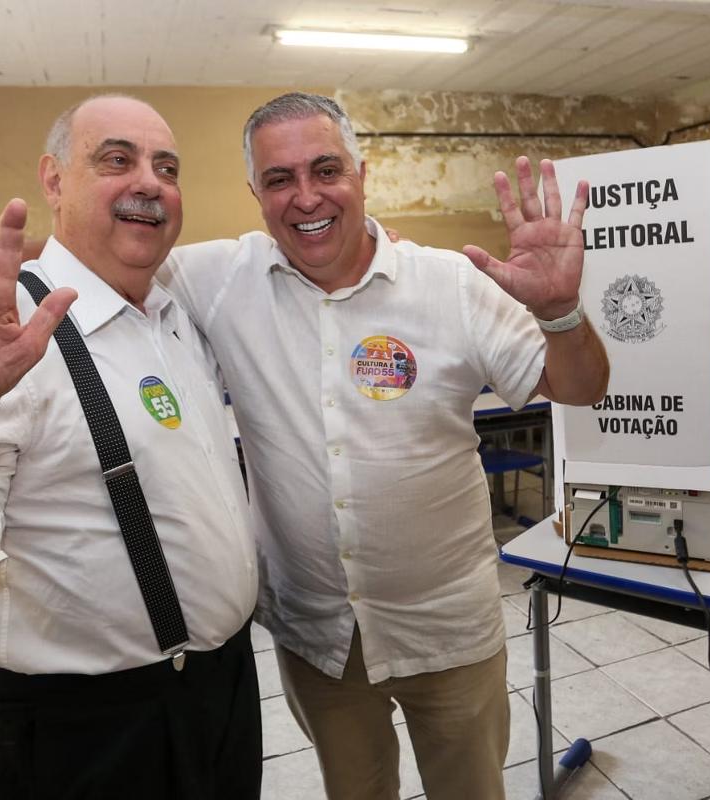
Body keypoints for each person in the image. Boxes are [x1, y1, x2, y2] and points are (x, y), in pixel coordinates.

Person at [159, 92, 610, 800]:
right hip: (320, 639)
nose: (306, 196)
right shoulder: (219, 281)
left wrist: (560, 313)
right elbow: (105, 268)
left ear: (363, 173)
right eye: (279, 179)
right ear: (256, 193)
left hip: (448, 634)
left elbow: (579, 387)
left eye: (326, 169)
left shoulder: (449, 284)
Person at [0, 95, 262, 800]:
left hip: (219, 691)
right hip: (79, 730)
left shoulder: (174, 317)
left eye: (166, 168)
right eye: (117, 159)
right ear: (54, 181)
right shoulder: (1, 330)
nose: (149, 181)